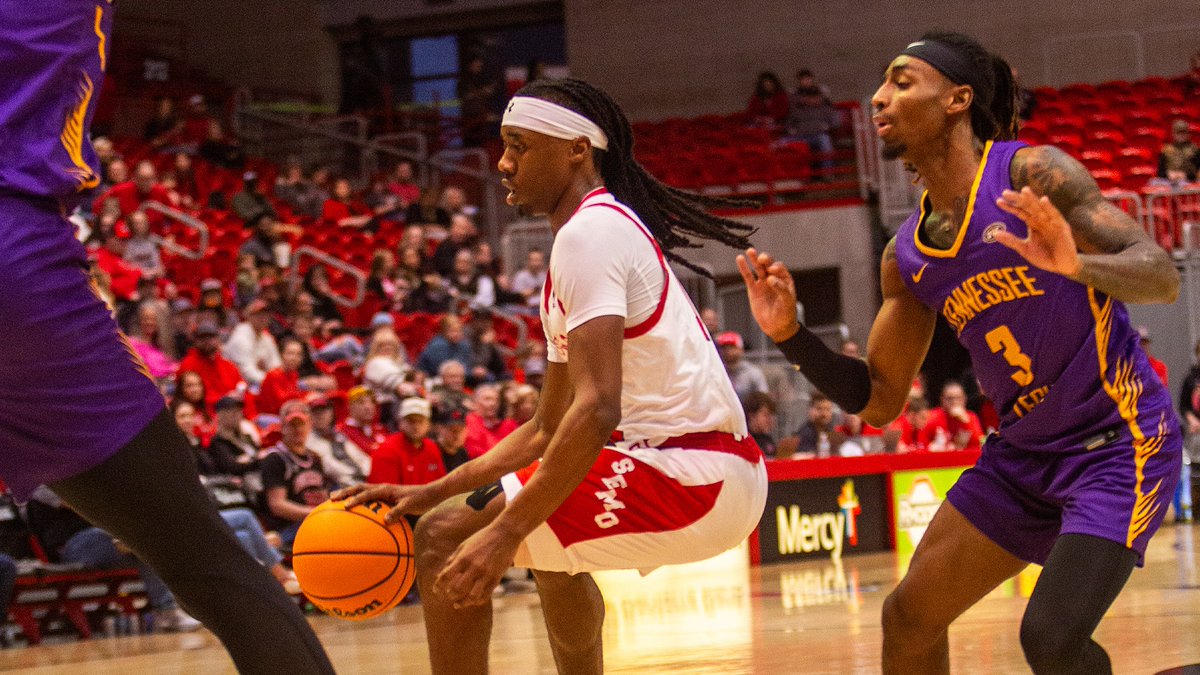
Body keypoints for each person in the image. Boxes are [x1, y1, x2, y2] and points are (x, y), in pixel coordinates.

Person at [739, 32, 1182, 674]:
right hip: (1021, 459)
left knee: (1050, 641)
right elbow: (881, 401)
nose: (878, 97)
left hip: (1117, 444)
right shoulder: (907, 255)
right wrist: (790, 335)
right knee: (908, 617)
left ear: (957, 99)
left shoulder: (1032, 175)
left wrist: (1077, 265)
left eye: (901, 82)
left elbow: (1162, 275)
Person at [337, 77, 767, 675]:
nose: (503, 163)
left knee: (442, 536)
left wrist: (504, 531)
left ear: (576, 150)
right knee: (541, 525)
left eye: (519, 145)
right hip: (696, 467)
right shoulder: (585, 237)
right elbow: (545, 428)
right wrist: (430, 491)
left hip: (695, 472)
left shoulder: (592, 234)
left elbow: (597, 408)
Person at [260, 400, 334, 550]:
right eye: (292, 425)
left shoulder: (315, 458)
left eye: (301, 424)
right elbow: (277, 505)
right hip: (289, 528)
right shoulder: (275, 459)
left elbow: (325, 494)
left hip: (319, 520)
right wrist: (317, 513)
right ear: (282, 428)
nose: (297, 429)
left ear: (310, 425)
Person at [369, 397, 446, 486]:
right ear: (400, 422)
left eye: (420, 421)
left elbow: (441, 485)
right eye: (411, 421)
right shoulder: (386, 449)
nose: (416, 426)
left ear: (428, 424)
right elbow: (384, 491)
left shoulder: (432, 447)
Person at [307, 395, 371, 489]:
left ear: (331, 413)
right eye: (315, 412)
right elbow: (329, 467)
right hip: (339, 485)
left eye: (324, 411)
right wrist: (354, 478)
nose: (320, 415)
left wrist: (370, 474)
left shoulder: (339, 435)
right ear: (309, 416)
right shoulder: (308, 441)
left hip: (361, 480)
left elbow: (359, 456)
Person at [924, 380, 984, 451]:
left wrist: (966, 422)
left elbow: (979, 443)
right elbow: (922, 443)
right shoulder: (933, 416)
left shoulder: (971, 417)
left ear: (964, 399)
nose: (954, 402)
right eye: (950, 398)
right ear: (942, 399)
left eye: (958, 398)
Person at [463, 384, 518, 459]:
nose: (493, 403)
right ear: (475, 402)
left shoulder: (508, 424)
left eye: (496, 400)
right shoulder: (468, 422)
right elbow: (474, 452)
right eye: (487, 399)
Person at [715, 331, 768, 403]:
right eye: (724, 348)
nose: (728, 351)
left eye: (732, 347)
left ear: (741, 349)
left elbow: (763, 399)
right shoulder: (716, 373)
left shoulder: (753, 373)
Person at [339, 386, 389, 457]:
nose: (368, 407)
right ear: (350, 406)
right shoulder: (342, 431)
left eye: (372, 402)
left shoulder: (381, 429)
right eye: (361, 402)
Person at [1157, 119, 1198, 183]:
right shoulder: (1166, 149)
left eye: (1183, 133)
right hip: (1169, 181)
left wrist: (1185, 175)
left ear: (1188, 134)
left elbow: (1198, 170)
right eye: (1178, 133)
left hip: (1188, 181)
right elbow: (1160, 171)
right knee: (1153, 182)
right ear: (1173, 134)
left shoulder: (1195, 149)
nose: (1181, 135)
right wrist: (1168, 174)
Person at [743, 391, 779, 458]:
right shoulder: (743, 441)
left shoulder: (768, 440)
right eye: (766, 415)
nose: (770, 420)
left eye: (772, 415)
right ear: (752, 416)